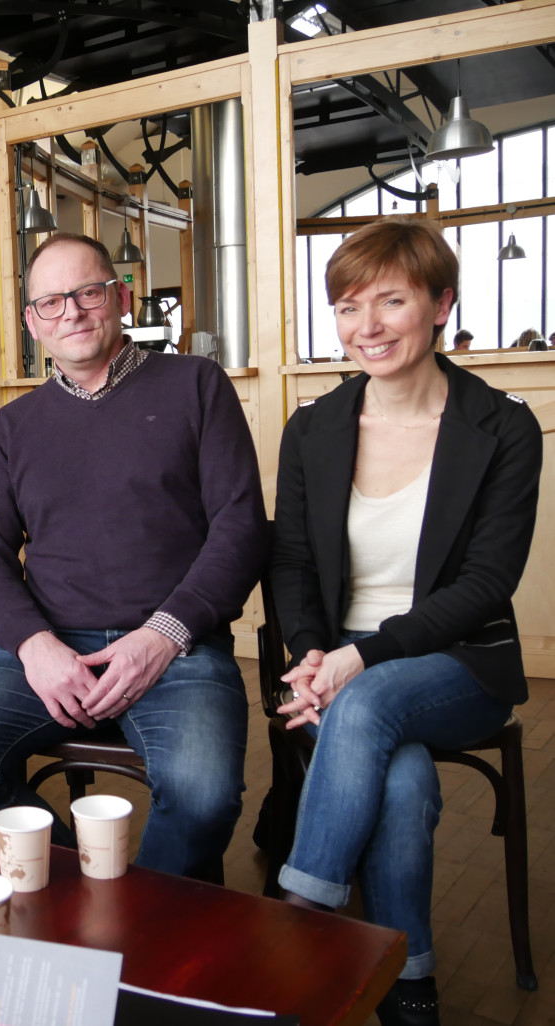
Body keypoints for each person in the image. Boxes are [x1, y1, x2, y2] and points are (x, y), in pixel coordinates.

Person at [0, 233, 267, 881]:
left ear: (121, 297)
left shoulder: (195, 386)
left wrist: (163, 635)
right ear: (30, 323)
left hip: (177, 648)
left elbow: (239, 526)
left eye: (86, 293)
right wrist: (32, 646)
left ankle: (142, 933)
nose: (70, 312)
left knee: (202, 793)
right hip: (51, 646)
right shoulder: (14, 427)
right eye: (50, 302)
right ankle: (84, 888)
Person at [271, 217, 541, 1026]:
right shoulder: (313, 427)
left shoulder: (501, 428)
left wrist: (360, 662)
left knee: (372, 702)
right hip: (337, 660)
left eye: (391, 301)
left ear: (440, 306)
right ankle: (410, 979)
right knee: (401, 779)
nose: (368, 326)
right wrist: (313, 648)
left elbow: (487, 583)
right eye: (349, 307)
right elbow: (288, 560)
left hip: (457, 662)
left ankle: (298, 925)